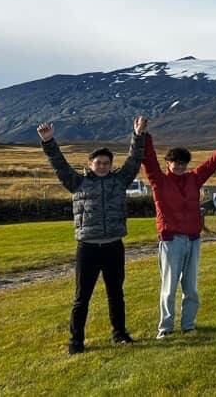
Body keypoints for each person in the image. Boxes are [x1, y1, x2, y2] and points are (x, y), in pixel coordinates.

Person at [38, 116, 147, 354]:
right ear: (90, 164)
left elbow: (134, 159)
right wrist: (48, 142)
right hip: (87, 248)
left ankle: (119, 334)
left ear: (111, 164)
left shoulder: (120, 180)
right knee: (81, 297)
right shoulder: (77, 183)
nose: (103, 166)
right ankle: (76, 342)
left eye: (106, 163)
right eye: (98, 163)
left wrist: (138, 135)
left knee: (116, 294)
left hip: (113, 246)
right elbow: (59, 165)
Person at [143, 130, 216, 338]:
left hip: (193, 240)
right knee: (169, 286)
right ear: (168, 164)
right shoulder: (159, 181)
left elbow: (211, 164)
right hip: (171, 240)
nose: (180, 167)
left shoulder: (193, 179)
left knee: (190, 287)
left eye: (183, 163)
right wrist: (144, 137)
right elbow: (149, 161)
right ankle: (165, 328)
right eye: (176, 163)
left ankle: (188, 324)